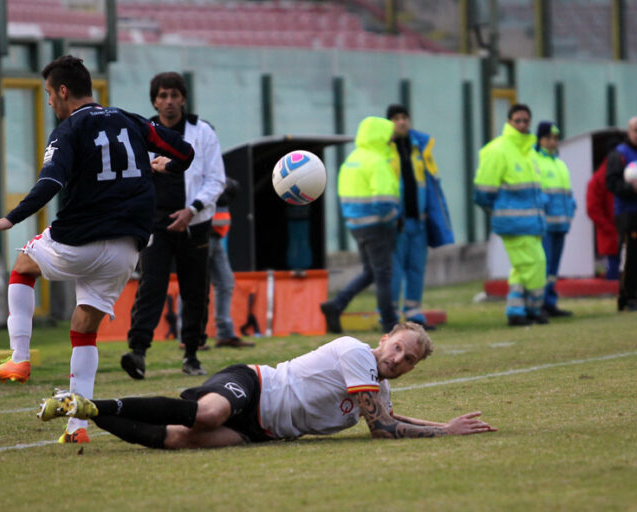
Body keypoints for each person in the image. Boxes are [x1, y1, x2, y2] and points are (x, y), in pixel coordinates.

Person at [0, 56, 195, 443]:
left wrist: (10, 218)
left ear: (62, 91)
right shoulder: (131, 119)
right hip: (127, 248)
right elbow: (185, 153)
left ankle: (20, 359)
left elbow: (50, 182)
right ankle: (77, 427)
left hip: (80, 240)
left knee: (23, 264)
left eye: (47, 94)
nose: (48, 103)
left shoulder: (68, 128)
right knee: (84, 327)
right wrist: (164, 168)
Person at [38, 322, 496, 448]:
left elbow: (390, 418)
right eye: (398, 347)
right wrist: (442, 433)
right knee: (207, 413)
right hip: (256, 385)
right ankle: (89, 400)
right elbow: (383, 430)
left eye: (408, 359)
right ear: (384, 339)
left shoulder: (377, 392)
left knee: (181, 440)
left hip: (265, 430)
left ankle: (87, 412)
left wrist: (446, 425)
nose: (398, 359)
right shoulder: (357, 353)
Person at [121, 72, 225, 380]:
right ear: (154, 100)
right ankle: (138, 352)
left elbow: (215, 179)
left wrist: (191, 211)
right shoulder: (142, 132)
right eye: (163, 96)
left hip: (195, 222)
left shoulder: (203, 132)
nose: (169, 102)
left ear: (184, 98)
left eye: (174, 95)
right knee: (152, 285)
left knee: (195, 290)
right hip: (155, 223)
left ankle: (192, 353)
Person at [320, 116, 400, 335]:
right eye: (388, 135)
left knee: (370, 273)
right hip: (377, 226)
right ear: (379, 136)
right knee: (383, 275)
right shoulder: (376, 162)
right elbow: (383, 201)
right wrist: (393, 218)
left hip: (356, 226)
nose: (391, 139)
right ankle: (390, 324)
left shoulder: (352, 160)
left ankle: (336, 305)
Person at [474, 104, 548, 327]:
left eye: (526, 120)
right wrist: (500, 212)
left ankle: (517, 311)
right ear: (508, 122)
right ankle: (533, 310)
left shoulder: (529, 151)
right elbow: (483, 192)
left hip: (531, 222)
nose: (522, 124)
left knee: (522, 268)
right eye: (518, 120)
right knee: (536, 264)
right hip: (514, 223)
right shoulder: (498, 150)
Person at [386, 104, 453, 330]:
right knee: (394, 270)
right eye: (396, 118)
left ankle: (414, 315)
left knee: (416, 269)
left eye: (404, 117)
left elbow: (430, 186)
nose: (402, 122)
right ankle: (390, 316)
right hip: (397, 222)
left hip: (418, 221)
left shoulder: (418, 147)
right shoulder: (386, 149)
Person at [534, 121, 576, 317]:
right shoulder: (535, 160)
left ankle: (549, 302)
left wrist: (571, 208)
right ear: (540, 139)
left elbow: (566, 193)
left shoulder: (559, 163)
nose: (553, 142)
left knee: (553, 269)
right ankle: (538, 303)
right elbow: (536, 191)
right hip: (545, 225)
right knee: (544, 265)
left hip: (561, 223)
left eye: (555, 138)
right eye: (549, 137)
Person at [208, 177, 254, 348]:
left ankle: (225, 334)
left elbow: (232, 186)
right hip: (202, 233)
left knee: (226, 282)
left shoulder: (215, 171)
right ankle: (188, 338)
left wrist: (226, 186)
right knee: (194, 285)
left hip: (216, 236)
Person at [605, 117, 637, 311]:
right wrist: (631, 188)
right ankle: (627, 296)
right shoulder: (619, 155)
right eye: (635, 130)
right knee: (630, 256)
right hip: (627, 214)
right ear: (629, 132)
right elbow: (611, 183)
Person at [586, 156, 620, 280]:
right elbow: (593, 209)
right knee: (613, 265)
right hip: (611, 231)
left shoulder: (599, 177)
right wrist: (609, 228)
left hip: (614, 230)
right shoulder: (600, 179)